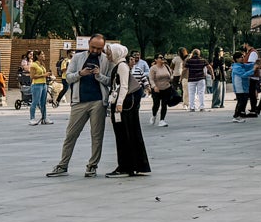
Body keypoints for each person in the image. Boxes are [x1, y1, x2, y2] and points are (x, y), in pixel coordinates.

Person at [48, 35, 111, 177]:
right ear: (88, 44)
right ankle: (63, 165)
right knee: (71, 134)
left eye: (99, 48)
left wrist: (99, 75)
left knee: (96, 135)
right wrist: (80, 73)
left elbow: (110, 81)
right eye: (93, 47)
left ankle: (92, 166)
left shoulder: (106, 60)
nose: (95, 50)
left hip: (98, 101)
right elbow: (68, 77)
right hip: (79, 101)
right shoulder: (77, 58)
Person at [103, 43, 150, 177]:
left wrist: (119, 104)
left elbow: (123, 86)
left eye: (110, 52)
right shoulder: (119, 65)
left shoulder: (121, 66)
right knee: (127, 133)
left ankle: (125, 166)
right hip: (125, 104)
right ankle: (131, 165)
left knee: (123, 134)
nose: (108, 55)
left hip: (123, 105)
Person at [148, 55, 174, 127]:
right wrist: (154, 86)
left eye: (162, 57)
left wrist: (171, 79)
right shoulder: (153, 68)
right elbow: (151, 79)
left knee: (164, 104)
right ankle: (154, 115)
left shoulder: (166, 67)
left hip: (166, 88)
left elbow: (171, 75)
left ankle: (162, 120)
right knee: (156, 104)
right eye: (160, 58)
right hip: (157, 89)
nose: (162, 59)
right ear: (156, 60)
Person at [27, 51, 52, 126]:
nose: (44, 55)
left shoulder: (42, 65)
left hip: (44, 84)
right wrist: (44, 75)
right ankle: (32, 118)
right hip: (37, 85)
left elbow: (42, 74)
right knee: (35, 101)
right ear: (37, 56)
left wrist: (47, 75)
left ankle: (44, 118)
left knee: (43, 102)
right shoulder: (33, 65)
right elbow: (32, 76)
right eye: (42, 54)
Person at [231, 47, 255, 122]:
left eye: (243, 57)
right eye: (241, 57)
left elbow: (248, 65)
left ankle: (237, 115)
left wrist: (256, 63)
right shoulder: (236, 67)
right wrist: (253, 69)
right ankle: (237, 116)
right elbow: (244, 74)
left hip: (243, 86)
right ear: (236, 59)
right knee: (241, 101)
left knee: (243, 101)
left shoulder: (241, 65)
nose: (243, 58)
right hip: (239, 87)